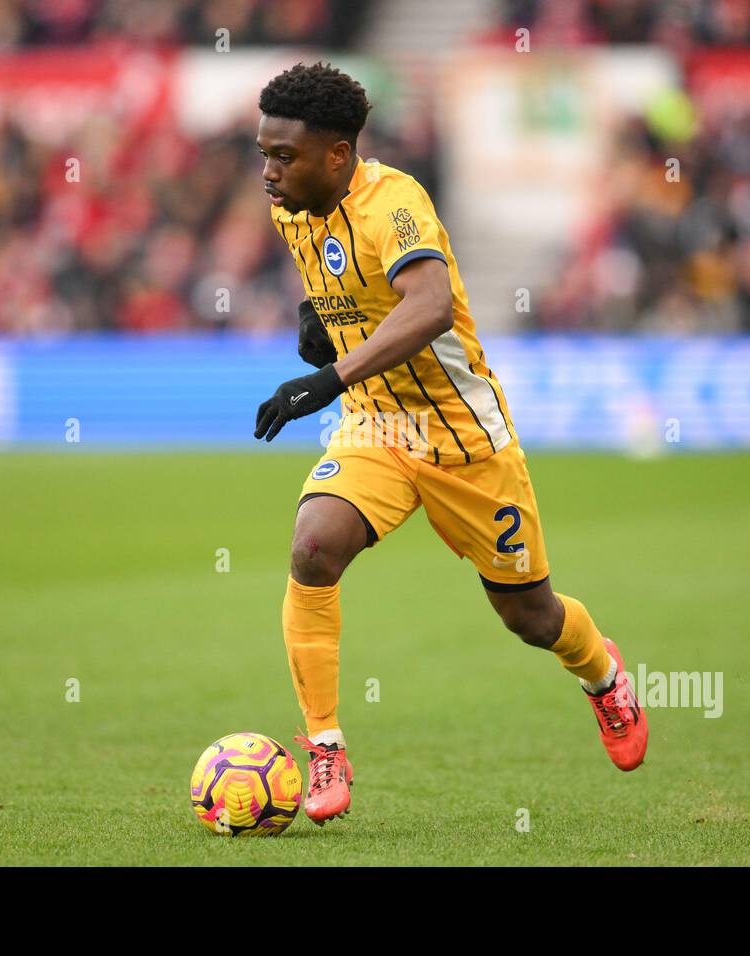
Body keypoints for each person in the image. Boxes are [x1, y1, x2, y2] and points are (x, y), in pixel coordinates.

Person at [252, 62, 648, 826]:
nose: (268, 171)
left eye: (283, 156)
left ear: (338, 154)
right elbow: (341, 287)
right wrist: (319, 320)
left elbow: (429, 306)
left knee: (528, 616)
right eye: (263, 153)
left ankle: (603, 677)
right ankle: (326, 745)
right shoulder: (292, 208)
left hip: (465, 436)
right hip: (380, 423)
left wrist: (329, 375)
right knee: (313, 548)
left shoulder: (395, 203)